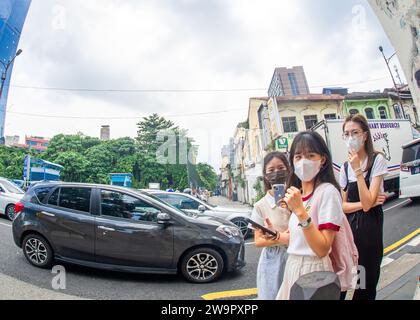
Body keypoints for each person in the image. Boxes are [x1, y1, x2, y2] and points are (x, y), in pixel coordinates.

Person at [275, 131, 345, 300]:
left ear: (322, 160)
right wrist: (275, 235)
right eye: (298, 156)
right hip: (292, 266)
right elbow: (299, 241)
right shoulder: (299, 195)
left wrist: (300, 211)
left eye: (310, 155)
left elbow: (322, 249)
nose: (303, 162)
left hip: (313, 271)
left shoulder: (327, 192)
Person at [340, 114, 388, 300]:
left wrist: (359, 170)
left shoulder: (377, 160)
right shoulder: (345, 168)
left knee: (366, 284)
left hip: (370, 231)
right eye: (347, 133)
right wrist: (364, 204)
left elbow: (369, 206)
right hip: (351, 232)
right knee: (354, 280)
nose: (351, 137)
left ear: (365, 135)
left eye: (355, 132)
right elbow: (344, 206)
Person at [250, 152, 291, 300]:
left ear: (288, 170)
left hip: (297, 256)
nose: (277, 173)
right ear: (266, 176)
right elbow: (258, 241)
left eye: (281, 168)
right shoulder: (260, 206)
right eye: (271, 170)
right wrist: (282, 238)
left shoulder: (296, 197)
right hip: (273, 261)